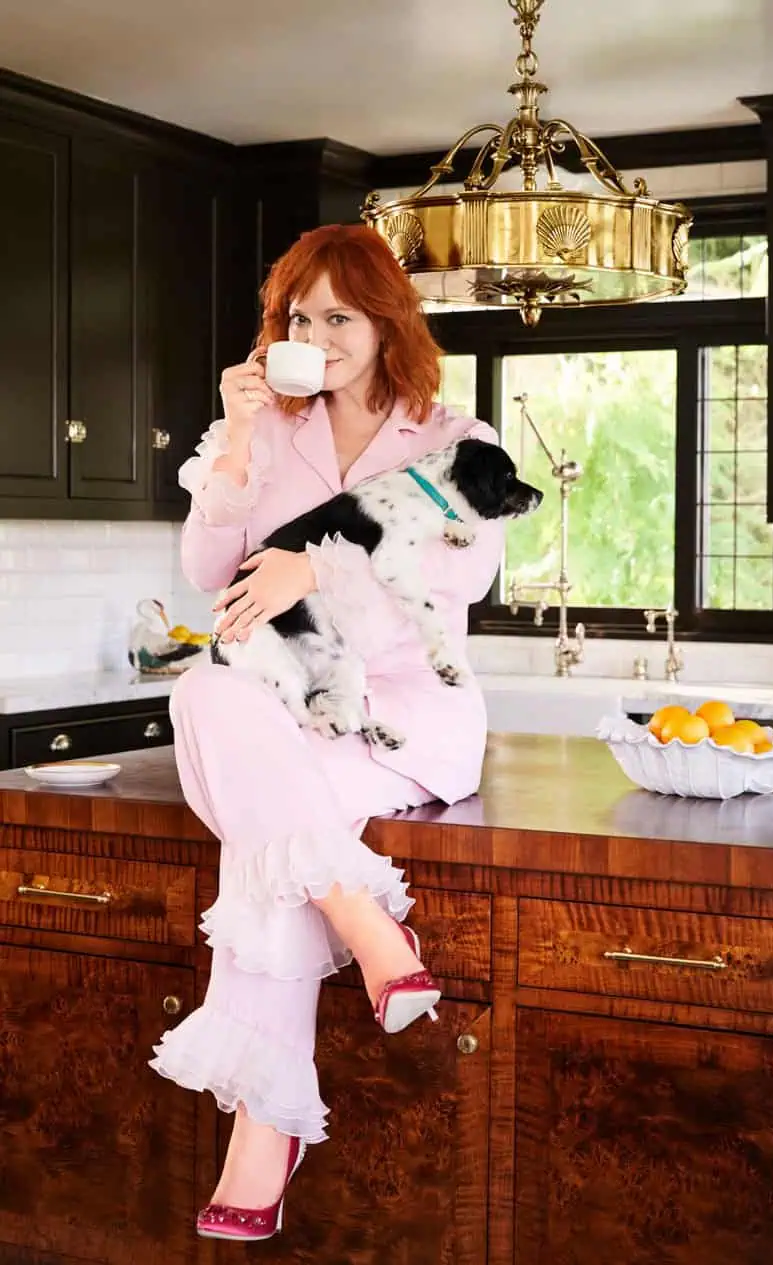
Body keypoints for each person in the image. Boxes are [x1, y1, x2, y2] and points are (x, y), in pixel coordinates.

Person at [149, 223, 505, 1242]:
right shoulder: (268, 432)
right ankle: (360, 916)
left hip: (400, 719)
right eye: (298, 317)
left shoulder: (459, 442)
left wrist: (322, 564)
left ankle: (266, 1127)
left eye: (337, 314)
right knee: (204, 691)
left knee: (261, 840)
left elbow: (462, 574)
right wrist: (240, 438)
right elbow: (208, 567)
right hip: (288, 710)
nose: (316, 333)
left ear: (386, 320)